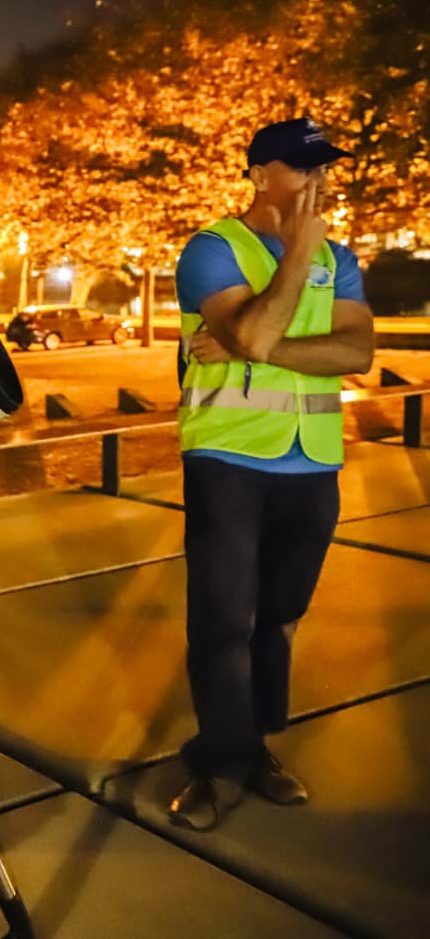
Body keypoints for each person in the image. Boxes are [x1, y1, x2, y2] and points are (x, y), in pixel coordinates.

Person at [167, 118, 374, 831]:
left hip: (312, 462)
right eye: (303, 167)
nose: (320, 180)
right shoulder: (212, 250)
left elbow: (356, 353)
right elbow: (252, 331)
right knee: (225, 620)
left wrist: (251, 346)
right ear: (259, 176)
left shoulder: (340, 259)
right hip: (227, 459)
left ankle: (253, 746)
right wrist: (297, 257)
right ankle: (220, 766)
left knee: (278, 618)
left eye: (325, 167)